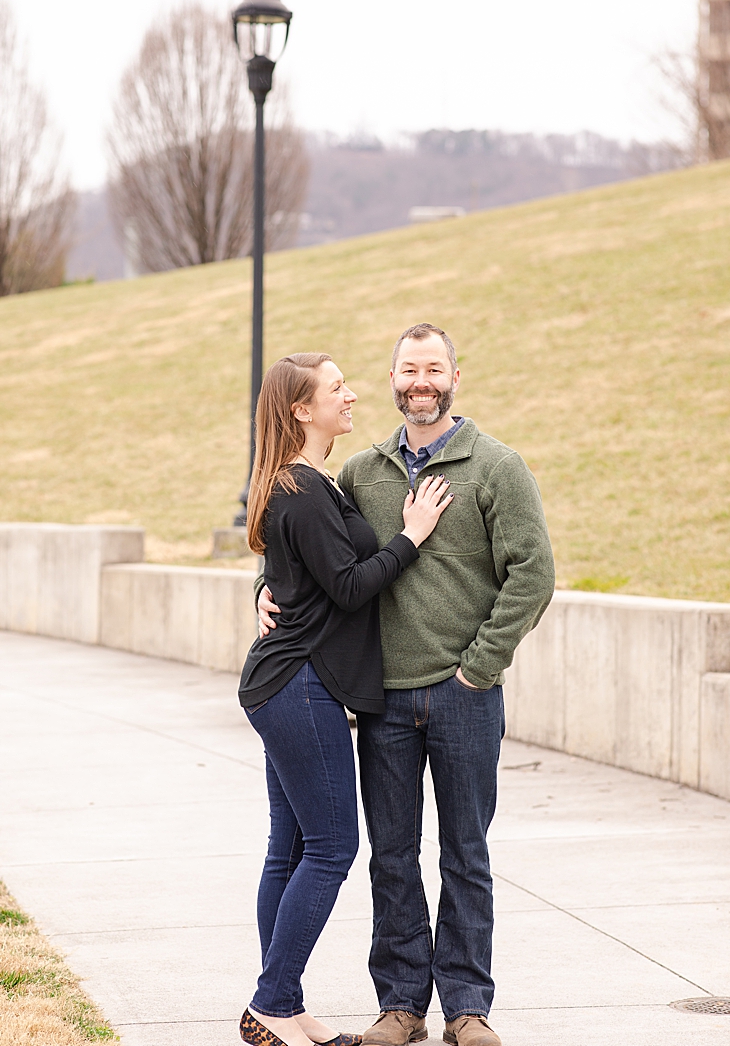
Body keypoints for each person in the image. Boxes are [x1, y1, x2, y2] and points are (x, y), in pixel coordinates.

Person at [259, 325, 554, 1046]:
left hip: (465, 694)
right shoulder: (362, 471)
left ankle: (467, 1007)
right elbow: (309, 548)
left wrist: (479, 666)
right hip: (381, 699)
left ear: (456, 374)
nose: (420, 382)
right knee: (391, 855)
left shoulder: (496, 466)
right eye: (407, 369)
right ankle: (400, 1006)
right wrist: (264, 587)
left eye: (433, 369)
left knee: (466, 853)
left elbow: (533, 574)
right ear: (394, 378)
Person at [238, 352, 453, 1046]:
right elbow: (353, 585)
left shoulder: (301, 484)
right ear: (302, 409)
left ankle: (285, 1003)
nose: (351, 394)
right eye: (336, 388)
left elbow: (289, 575)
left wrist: (265, 591)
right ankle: (271, 1001)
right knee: (331, 846)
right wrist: (412, 536)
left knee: (291, 846)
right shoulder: (300, 490)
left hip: (287, 680)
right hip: (298, 685)